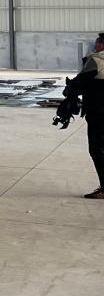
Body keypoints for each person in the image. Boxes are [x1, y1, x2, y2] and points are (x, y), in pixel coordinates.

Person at [53, 33, 104, 197]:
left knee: (97, 149)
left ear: (102, 44)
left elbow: (79, 84)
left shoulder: (96, 60)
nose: (95, 46)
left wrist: (69, 89)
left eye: (97, 43)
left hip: (99, 112)